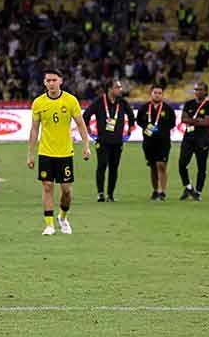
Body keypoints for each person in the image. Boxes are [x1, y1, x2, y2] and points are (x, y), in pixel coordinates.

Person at [27, 68, 90, 235]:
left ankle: (63, 217)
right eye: (48, 80)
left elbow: (81, 124)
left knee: (66, 191)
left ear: (61, 81)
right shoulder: (39, 103)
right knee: (47, 187)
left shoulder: (70, 101)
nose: (51, 83)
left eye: (54, 80)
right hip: (46, 153)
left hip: (65, 153)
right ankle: (49, 224)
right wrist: (31, 154)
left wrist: (86, 145)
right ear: (44, 82)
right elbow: (34, 129)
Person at [83, 79, 135, 202]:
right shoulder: (99, 102)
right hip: (103, 141)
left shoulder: (122, 102)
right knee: (101, 166)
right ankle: (100, 193)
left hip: (117, 141)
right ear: (110, 89)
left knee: (114, 168)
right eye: (117, 87)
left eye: (120, 87)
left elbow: (131, 116)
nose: (120, 90)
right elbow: (86, 116)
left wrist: (128, 132)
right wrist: (89, 131)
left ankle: (110, 195)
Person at [135, 84, 177, 200]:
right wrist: (146, 126)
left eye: (159, 93)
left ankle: (163, 191)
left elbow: (172, 123)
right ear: (151, 93)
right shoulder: (144, 108)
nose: (157, 95)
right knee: (153, 167)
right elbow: (138, 121)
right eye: (155, 93)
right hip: (148, 142)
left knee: (162, 165)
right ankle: (155, 190)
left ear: (162, 95)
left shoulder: (168, 109)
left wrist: (161, 130)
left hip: (163, 142)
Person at [178, 82, 209, 201]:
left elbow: (207, 122)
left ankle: (198, 192)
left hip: (202, 140)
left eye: (200, 90)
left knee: (201, 167)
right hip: (188, 138)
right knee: (182, 163)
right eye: (196, 89)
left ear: (206, 92)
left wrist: (191, 120)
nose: (198, 91)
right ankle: (188, 187)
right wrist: (197, 120)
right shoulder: (189, 104)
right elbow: (183, 119)